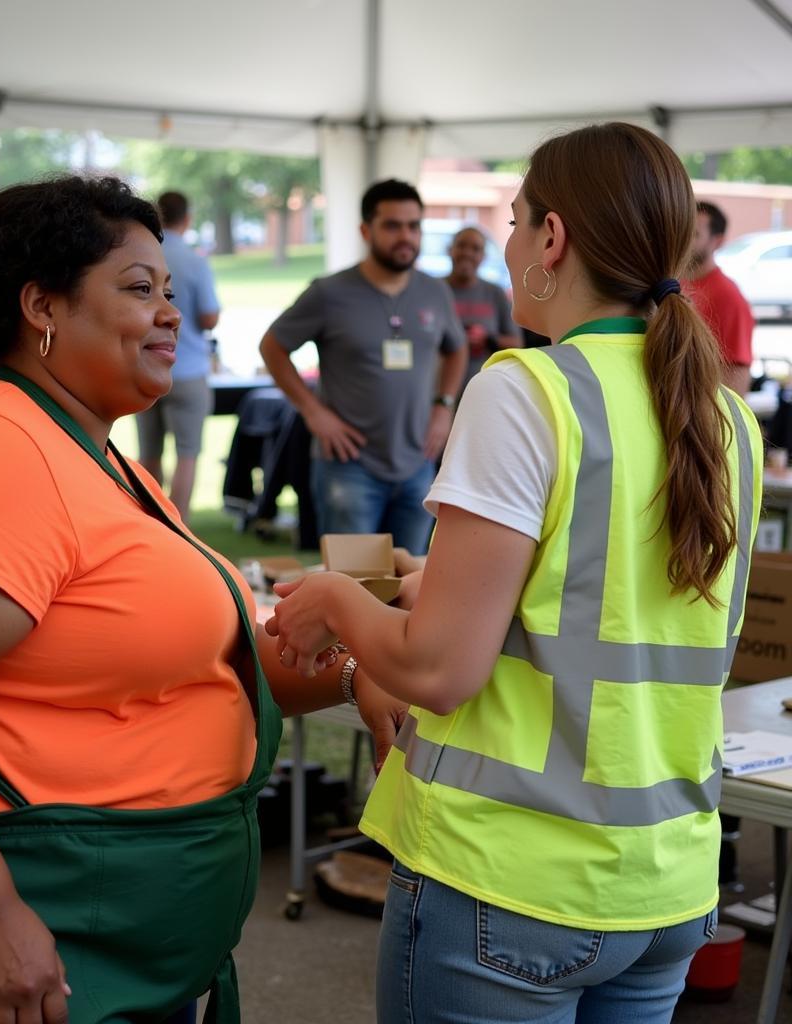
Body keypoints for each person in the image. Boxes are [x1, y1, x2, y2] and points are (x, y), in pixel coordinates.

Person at [0, 175, 403, 1024]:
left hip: (117, 934)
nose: (173, 312)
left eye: (171, 291)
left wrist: (371, 647)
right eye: (140, 289)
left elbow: (217, 662)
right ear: (42, 307)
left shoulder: (108, 464)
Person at [267, 122, 762, 1023]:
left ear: (552, 239)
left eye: (514, 219)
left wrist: (338, 595)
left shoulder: (525, 388)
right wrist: (440, 583)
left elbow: (436, 672)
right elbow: (608, 599)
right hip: (665, 885)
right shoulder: (725, 416)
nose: (506, 243)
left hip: (511, 883)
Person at [259, 179, 467, 555]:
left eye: (413, 225)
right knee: (352, 588)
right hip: (348, 467)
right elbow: (273, 346)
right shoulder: (329, 293)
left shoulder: (435, 291)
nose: (406, 236)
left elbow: (457, 349)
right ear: (365, 230)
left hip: (418, 462)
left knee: (409, 588)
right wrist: (313, 412)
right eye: (393, 225)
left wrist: (444, 406)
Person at [135, 190, 220, 521]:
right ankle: (178, 525)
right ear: (188, 219)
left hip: (143, 366)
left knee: (149, 454)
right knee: (187, 454)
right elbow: (209, 316)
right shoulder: (195, 261)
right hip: (187, 368)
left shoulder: (143, 256)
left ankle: (149, 523)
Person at [683, 200, 755, 396]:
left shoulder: (729, 297)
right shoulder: (672, 284)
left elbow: (736, 378)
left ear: (718, 240)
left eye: (695, 234)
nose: (685, 240)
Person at [444, 225, 520, 393]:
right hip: (438, 390)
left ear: (483, 256)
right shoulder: (435, 290)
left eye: (475, 249)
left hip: (484, 389)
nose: (467, 253)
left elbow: (517, 343)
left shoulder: (495, 293)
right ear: (450, 250)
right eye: (461, 245)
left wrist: (487, 339)